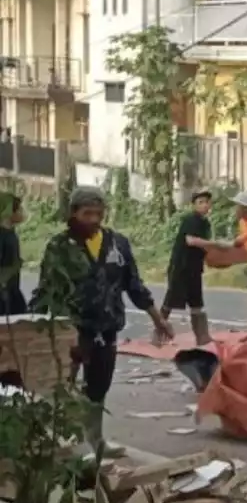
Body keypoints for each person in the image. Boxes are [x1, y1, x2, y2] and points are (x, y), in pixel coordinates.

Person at [34, 186, 174, 457]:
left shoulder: (117, 244)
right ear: (73, 213)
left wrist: (158, 320)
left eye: (99, 213)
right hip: (73, 331)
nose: (95, 220)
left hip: (107, 329)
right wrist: (55, 332)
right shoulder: (59, 247)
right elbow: (47, 292)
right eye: (88, 214)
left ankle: (97, 443)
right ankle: (57, 446)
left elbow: (134, 285)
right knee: (64, 386)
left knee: (98, 388)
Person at [191, 191, 247, 336]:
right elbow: (244, 246)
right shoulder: (242, 223)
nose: (235, 210)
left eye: (237, 206)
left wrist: (243, 238)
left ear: (246, 208)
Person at [156, 189, 213, 346]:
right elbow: (190, 240)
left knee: (197, 302)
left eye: (207, 202)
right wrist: (214, 245)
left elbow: (204, 246)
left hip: (195, 268)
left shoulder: (205, 223)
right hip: (180, 266)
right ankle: (157, 334)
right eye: (200, 202)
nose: (204, 205)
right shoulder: (190, 219)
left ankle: (202, 336)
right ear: (194, 205)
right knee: (170, 301)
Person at [0, 193, 27, 316]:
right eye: (19, 209)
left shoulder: (10, 233)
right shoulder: (2, 236)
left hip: (12, 290)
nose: (22, 212)